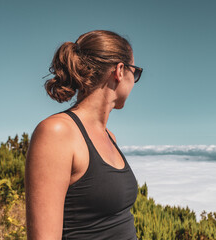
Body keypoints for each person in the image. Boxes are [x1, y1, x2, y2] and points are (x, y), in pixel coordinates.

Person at [25, 30, 143, 240]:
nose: (134, 81)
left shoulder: (109, 137)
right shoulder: (57, 133)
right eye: (135, 72)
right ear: (120, 70)